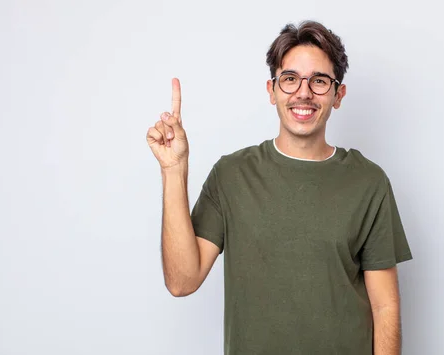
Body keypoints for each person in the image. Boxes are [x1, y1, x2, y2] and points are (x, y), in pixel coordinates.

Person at [146, 20, 412, 355]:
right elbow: (182, 281)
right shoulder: (232, 175)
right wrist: (173, 170)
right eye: (290, 79)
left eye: (319, 81)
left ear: (338, 94)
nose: (303, 93)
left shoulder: (368, 183)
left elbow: (384, 308)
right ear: (272, 91)